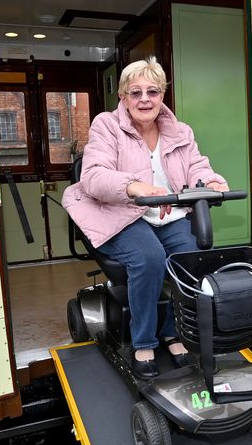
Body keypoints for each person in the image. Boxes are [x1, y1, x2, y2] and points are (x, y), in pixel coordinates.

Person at [63, 57, 227, 379]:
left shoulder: (180, 131)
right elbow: (94, 176)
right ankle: (144, 342)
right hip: (121, 213)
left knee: (191, 257)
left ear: (162, 95)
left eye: (152, 91)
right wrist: (135, 187)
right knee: (149, 258)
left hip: (169, 213)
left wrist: (211, 182)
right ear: (123, 97)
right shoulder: (106, 126)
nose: (144, 99)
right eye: (135, 92)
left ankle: (172, 332)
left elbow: (197, 166)